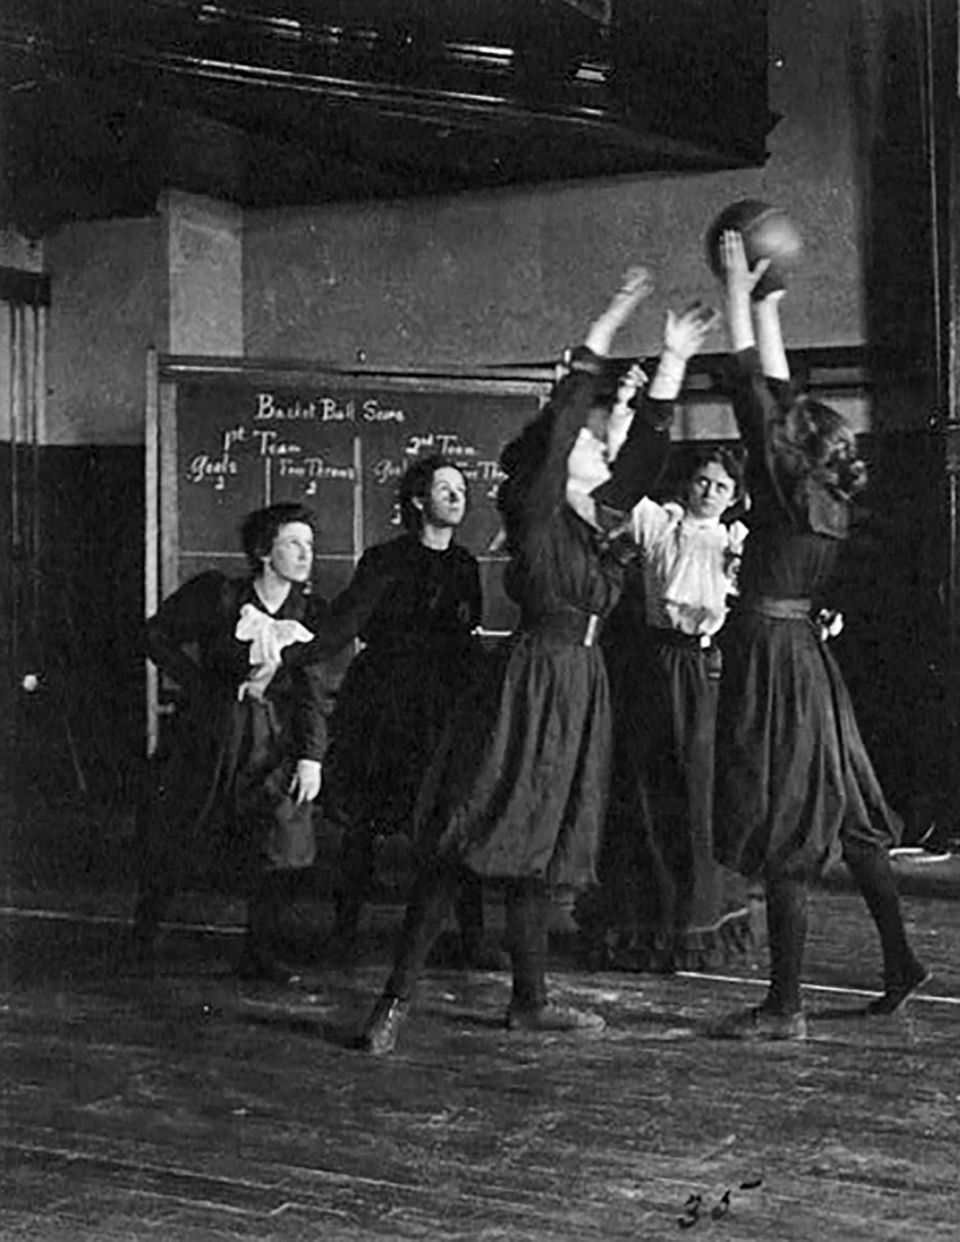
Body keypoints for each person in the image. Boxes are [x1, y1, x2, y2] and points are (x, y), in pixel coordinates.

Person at [357, 269, 720, 1054]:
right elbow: (561, 425)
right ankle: (393, 1001)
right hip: (533, 681)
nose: (599, 446)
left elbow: (647, 451)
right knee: (469, 836)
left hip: (582, 687)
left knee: (541, 846)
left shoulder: (602, 522)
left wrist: (672, 359)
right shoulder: (536, 507)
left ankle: (529, 999)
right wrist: (613, 315)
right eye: (590, 445)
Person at [709, 231, 928, 1041]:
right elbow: (772, 392)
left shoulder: (783, 485)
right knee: (853, 818)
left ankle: (786, 1006)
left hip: (772, 660)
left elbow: (750, 389)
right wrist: (772, 307)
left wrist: (739, 294)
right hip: (809, 660)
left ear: (792, 451)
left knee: (783, 822)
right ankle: (901, 961)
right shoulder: (826, 499)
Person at [276, 456, 500, 970]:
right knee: (366, 822)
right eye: (444, 488)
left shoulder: (465, 564)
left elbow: (467, 634)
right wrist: (287, 656)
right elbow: (343, 624)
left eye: (461, 490)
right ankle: (345, 935)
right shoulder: (384, 560)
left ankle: (470, 940)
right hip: (388, 704)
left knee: (454, 817)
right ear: (418, 500)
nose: (457, 497)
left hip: (446, 705)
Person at [579, 380, 758, 971]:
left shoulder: (739, 540)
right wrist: (624, 408)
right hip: (658, 668)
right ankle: (645, 922)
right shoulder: (660, 525)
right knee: (653, 789)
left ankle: (703, 919)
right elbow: (620, 485)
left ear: (734, 496)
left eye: (721, 486)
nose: (708, 491)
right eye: (702, 480)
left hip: (711, 670)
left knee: (703, 792)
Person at [129, 502, 331, 983]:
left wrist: (311, 757)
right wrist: (203, 687)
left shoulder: (311, 614)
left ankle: (257, 953)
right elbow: (155, 635)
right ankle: (142, 936)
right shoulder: (220, 597)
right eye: (293, 544)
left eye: (310, 545)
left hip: (275, 742)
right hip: (214, 736)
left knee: (278, 839)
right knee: (181, 828)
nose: (306, 555)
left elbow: (314, 695)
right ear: (264, 551)